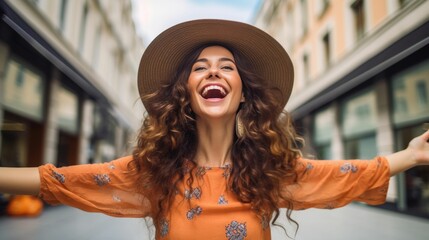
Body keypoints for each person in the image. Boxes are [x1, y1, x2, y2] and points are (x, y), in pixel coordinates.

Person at [0, 19, 428, 240]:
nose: (214, 73)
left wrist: (410, 155)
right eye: (200, 68)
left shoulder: (269, 172)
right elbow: (58, 181)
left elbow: (343, 175)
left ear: (243, 94)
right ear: (186, 92)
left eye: (227, 67)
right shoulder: (154, 173)